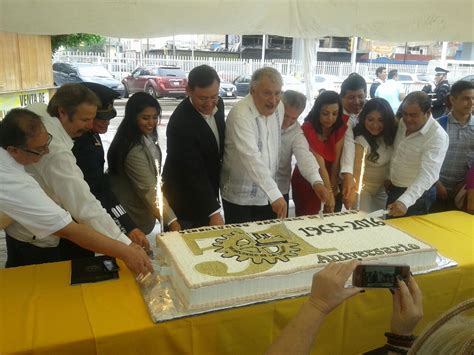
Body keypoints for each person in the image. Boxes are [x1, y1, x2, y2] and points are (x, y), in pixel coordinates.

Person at [0, 108, 152, 274]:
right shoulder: (13, 180)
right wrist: (125, 250)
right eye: (39, 149)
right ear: (13, 150)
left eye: (47, 143)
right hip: (29, 240)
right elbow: (70, 228)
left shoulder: (39, 123)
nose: (47, 152)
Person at [72, 82, 146, 242]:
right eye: (100, 118)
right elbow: (97, 189)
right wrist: (127, 226)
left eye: (108, 118)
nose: (106, 122)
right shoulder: (81, 143)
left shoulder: (90, 135)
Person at [162, 65, 225, 229]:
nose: (210, 103)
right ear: (188, 90)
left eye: (214, 96)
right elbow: (192, 171)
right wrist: (214, 212)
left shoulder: (219, 105)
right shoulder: (181, 123)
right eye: (203, 98)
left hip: (208, 193)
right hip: (183, 202)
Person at [108, 92, 181, 234]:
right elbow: (149, 189)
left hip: (140, 213)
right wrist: (171, 221)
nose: (151, 123)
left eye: (155, 117)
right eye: (145, 118)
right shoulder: (134, 150)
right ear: (132, 118)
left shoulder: (146, 137)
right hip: (130, 216)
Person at [220, 67, 287, 223]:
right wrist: (274, 193)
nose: (273, 100)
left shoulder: (280, 107)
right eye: (267, 93)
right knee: (241, 245)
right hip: (240, 198)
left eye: (277, 93)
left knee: (270, 242)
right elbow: (251, 156)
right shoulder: (240, 114)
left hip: (268, 196)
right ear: (252, 90)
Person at [386, 91, 449, 218]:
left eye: (413, 115)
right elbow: (397, 153)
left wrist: (404, 201)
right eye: (405, 114)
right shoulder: (403, 122)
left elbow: (428, 175)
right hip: (394, 188)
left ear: (428, 113)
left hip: (417, 195)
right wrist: (389, 176)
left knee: (408, 236)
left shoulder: (437, 136)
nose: (408, 119)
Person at [291, 91, 347, 215]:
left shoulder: (340, 125)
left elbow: (336, 160)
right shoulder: (307, 128)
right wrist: (329, 193)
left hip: (330, 176)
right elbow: (319, 163)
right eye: (325, 113)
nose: (330, 118)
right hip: (307, 178)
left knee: (329, 219)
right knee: (307, 218)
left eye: (335, 114)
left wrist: (332, 186)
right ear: (317, 111)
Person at [278, 90, 329, 211]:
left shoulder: (297, 132)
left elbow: (305, 157)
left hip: (280, 188)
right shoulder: (265, 120)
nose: (287, 122)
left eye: (293, 118)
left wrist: (317, 182)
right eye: (285, 115)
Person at [432, 80, 474, 212]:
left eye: (473, 98)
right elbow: (428, 159)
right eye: (466, 99)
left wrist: (466, 184)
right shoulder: (438, 126)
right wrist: (437, 184)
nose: (471, 103)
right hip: (436, 190)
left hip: (464, 192)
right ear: (452, 99)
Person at [349, 98, 397, 212]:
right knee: (363, 223)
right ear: (363, 118)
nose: (375, 125)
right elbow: (356, 171)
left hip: (382, 190)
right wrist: (354, 194)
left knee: (380, 224)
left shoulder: (392, 136)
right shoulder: (361, 140)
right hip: (362, 190)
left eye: (381, 120)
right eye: (370, 119)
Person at [338, 74, 368, 209]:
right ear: (342, 97)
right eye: (351, 97)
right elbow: (348, 146)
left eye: (360, 96)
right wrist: (348, 177)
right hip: (330, 176)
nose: (357, 101)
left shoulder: (368, 112)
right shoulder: (338, 115)